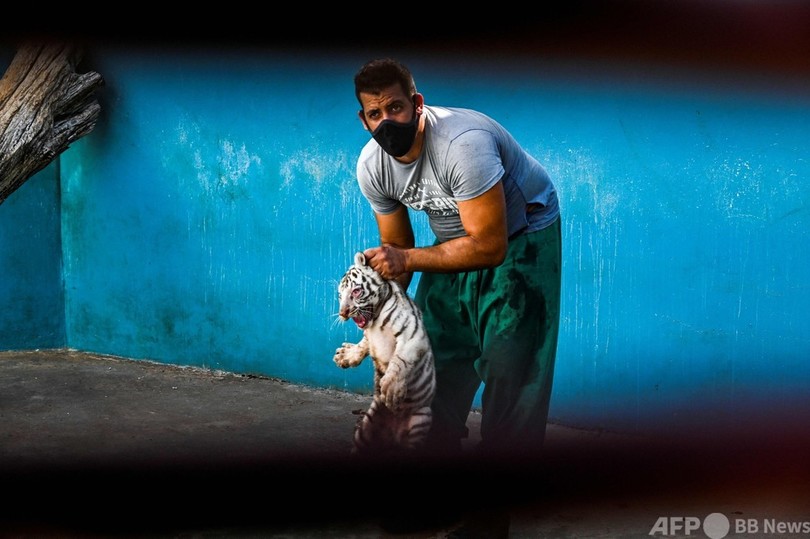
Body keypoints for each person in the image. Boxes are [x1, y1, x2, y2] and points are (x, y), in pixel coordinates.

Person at [353, 57, 562, 465]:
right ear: (363, 120)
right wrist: (382, 322)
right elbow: (398, 249)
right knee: (426, 357)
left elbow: (489, 246)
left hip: (522, 238)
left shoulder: (462, 144)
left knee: (508, 366)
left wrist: (408, 258)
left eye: (395, 107)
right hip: (453, 241)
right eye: (375, 114)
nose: (387, 122)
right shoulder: (371, 167)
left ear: (417, 104)